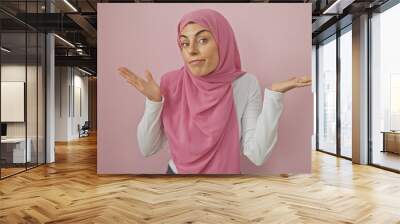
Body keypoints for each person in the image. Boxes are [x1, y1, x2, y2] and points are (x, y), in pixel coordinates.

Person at [118, 9, 311, 174]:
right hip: (176, 181)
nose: (191, 50)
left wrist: (274, 97)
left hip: (225, 186)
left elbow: (257, 155)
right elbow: (147, 149)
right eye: (185, 43)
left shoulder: (244, 84)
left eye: (202, 40)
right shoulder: (170, 83)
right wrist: (153, 101)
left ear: (223, 42)